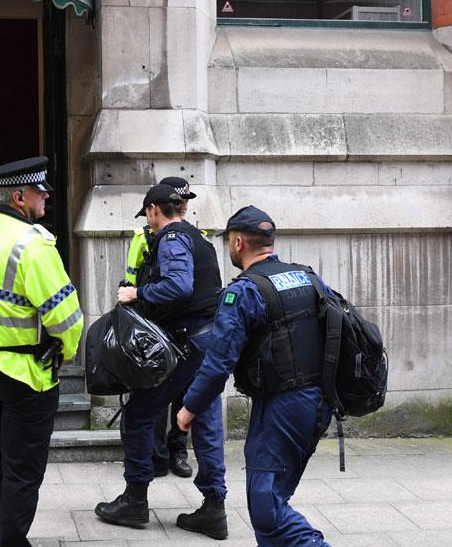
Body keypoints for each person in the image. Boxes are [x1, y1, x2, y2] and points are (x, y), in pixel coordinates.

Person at [178, 206, 335, 546]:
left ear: (237, 242)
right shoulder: (307, 276)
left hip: (282, 405)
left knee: (267, 506)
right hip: (318, 403)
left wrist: (189, 407)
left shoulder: (244, 291)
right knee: (273, 498)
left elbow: (218, 361)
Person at [0, 156, 84, 547]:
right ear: (18, 197)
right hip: (25, 372)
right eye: (38, 191)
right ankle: (9, 540)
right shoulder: (33, 244)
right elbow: (66, 317)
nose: (45, 196)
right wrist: (66, 350)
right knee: (23, 465)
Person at [95, 183, 229, 540]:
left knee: (139, 415)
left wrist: (137, 293)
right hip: (207, 343)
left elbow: (179, 285)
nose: (149, 223)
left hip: (185, 346)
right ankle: (215, 507)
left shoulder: (171, 239)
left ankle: (135, 500)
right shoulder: (198, 238)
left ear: (155, 209)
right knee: (205, 420)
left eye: (148, 216)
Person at [124, 177, 198, 479]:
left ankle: (177, 451)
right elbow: (132, 278)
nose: (184, 206)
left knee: (184, 395)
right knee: (153, 394)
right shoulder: (146, 236)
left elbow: (187, 284)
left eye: (186, 200)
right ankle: (155, 454)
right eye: (180, 201)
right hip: (156, 325)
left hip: (184, 329)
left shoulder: (188, 235)